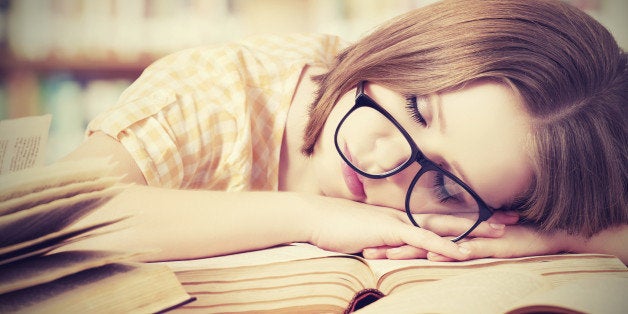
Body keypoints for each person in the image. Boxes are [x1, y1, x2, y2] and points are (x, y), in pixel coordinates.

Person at [62, 0, 627, 263]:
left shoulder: (486, 208)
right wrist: (308, 217)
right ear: (408, 48)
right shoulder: (216, 91)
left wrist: (557, 235)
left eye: (448, 187)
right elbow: (61, 218)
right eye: (413, 106)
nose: (381, 160)